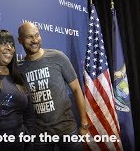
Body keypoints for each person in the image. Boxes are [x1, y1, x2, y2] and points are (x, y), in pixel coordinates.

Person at [17, 22, 89, 151]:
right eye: (29, 37)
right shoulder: (18, 67)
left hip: (66, 129)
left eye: (37, 35)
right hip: (39, 134)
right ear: (20, 40)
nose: (34, 40)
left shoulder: (57, 57)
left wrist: (84, 123)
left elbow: (77, 89)